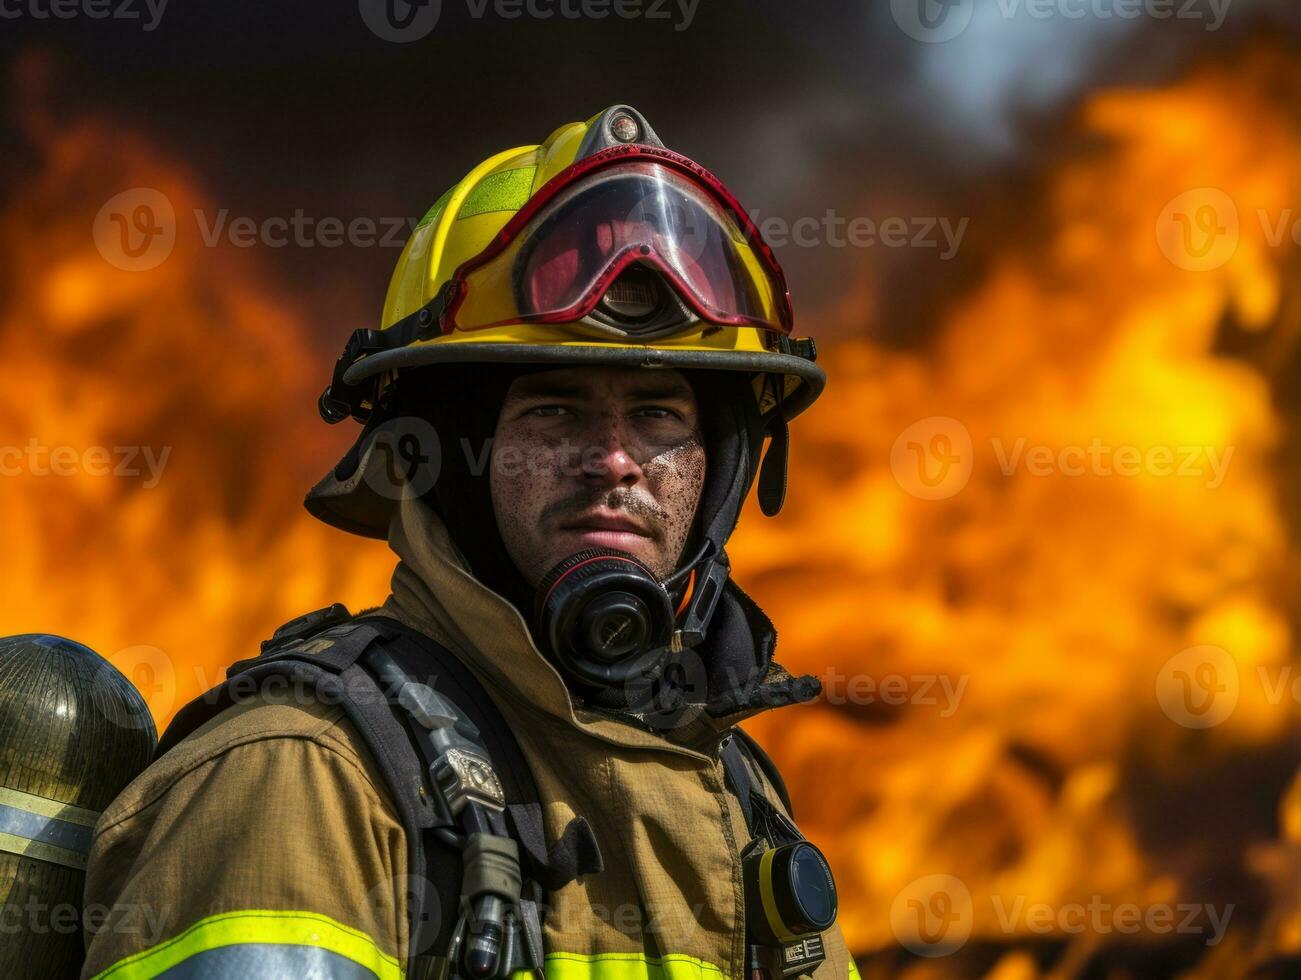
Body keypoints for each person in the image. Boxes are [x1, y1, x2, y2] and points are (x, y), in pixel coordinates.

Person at [80, 105, 856, 980]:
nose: (614, 460)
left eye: (657, 413)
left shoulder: (743, 803)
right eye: (553, 409)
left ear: (721, 468)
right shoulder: (302, 780)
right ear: (438, 453)